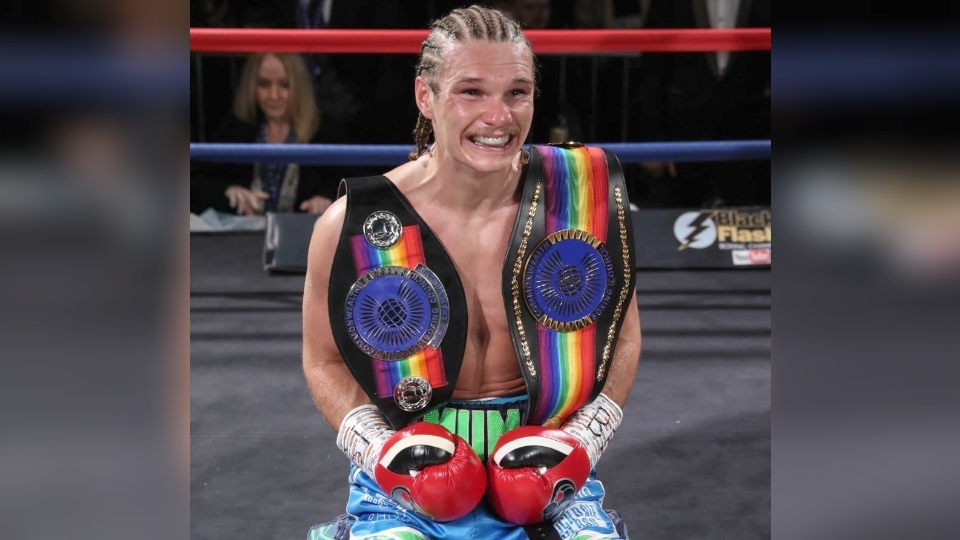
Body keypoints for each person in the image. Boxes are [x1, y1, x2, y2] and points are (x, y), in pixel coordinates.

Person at [302, 5, 640, 539]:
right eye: (472, 92)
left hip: (546, 460)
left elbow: (622, 337)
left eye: (516, 92)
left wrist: (584, 440)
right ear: (425, 97)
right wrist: (382, 449)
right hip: (408, 467)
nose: (498, 117)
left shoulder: (581, 198)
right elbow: (322, 359)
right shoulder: (354, 225)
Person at [190, 52, 347, 216]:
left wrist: (327, 199)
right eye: (264, 84)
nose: (273, 95)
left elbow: (351, 183)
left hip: (308, 236)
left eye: (285, 85)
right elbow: (195, 181)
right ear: (252, 86)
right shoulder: (236, 128)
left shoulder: (326, 132)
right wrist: (228, 191)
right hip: (245, 236)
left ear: (300, 87)